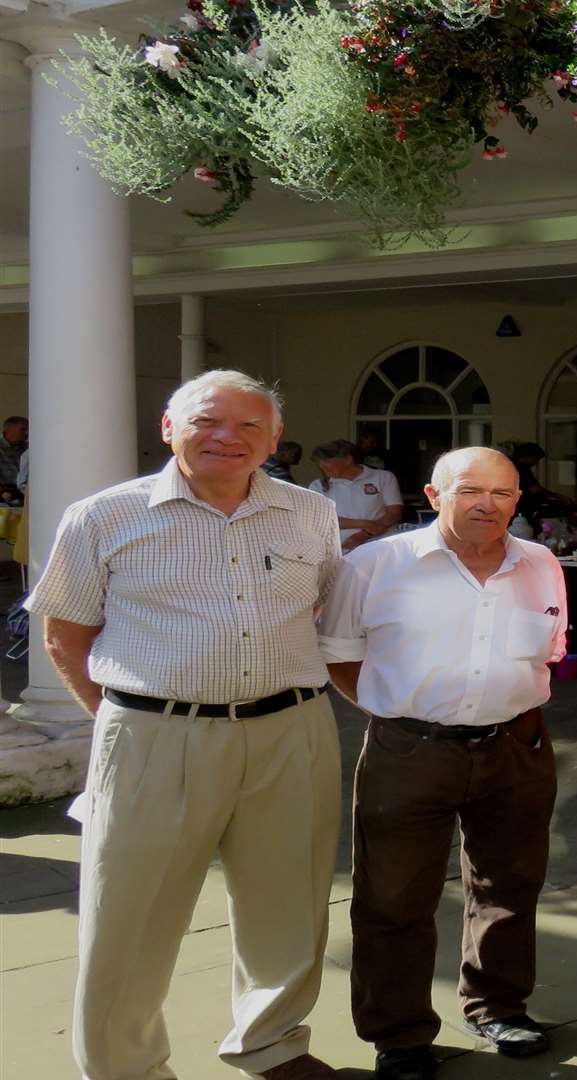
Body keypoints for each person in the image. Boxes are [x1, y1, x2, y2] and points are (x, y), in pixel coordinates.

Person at [28, 370, 343, 1080]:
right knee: (129, 915)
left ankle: (272, 1043)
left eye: (248, 426)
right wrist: (127, 727)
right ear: (169, 428)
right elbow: (64, 637)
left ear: (273, 441)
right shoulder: (102, 515)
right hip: (153, 734)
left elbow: (319, 612)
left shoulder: (309, 514)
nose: (227, 438)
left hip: (291, 731)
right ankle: (125, 1068)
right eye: (206, 421)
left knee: (289, 902)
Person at [319, 447, 566, 1080]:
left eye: (504, 494)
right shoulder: (375, 564)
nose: (488, 504)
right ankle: (399, 1035)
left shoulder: (540, 564)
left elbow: (546, 654)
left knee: (510, 886)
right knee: (394, 896)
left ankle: (498, 1005)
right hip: (409, 749)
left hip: (517, 747)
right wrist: (402, 713)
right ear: (434, 495)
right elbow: (340, 655)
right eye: (470, 491)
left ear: (518, 500)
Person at [310, 439, 404, 551]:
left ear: (348, 459)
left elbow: (394, 514)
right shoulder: (317, 486)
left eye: (327, 460)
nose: (322, 465)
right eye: (320, 461)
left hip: (381, 547)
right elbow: (320, 519)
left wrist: (363, 535)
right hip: (340, 550)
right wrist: (365, 524)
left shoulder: (383, 477)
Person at [0, 414, 26, 500]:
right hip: (4, 494)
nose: (26, 433)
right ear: (9, 430)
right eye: (22, 429)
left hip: (25, 493)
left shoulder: (29, 449)